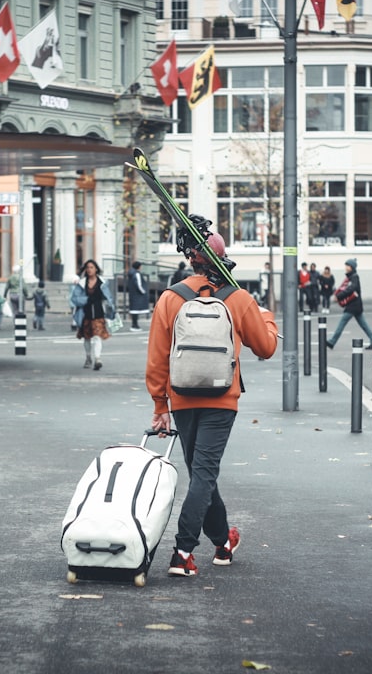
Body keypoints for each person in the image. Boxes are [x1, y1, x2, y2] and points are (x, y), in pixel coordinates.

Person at [146, 219, 279, 578]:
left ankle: (223, 541)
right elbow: (265, 348)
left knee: (202, 474)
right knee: (203, 475)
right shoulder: (238, 299)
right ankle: (182, 552)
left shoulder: (171, 298)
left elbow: (158, 358)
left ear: (191, 260)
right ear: (223, 259)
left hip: (182, 397)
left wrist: (161, 406)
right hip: (222, 399)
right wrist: (267, 318)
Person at [325, 259, 372, 351]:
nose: (345, 267)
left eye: (347, 265)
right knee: (364, 325)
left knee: (342, 323)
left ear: (351, 267)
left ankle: (332, 341)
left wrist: (339, 296)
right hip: (356, 305)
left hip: (353, 306)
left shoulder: (354, 277)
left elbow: (351, 289)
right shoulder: (352, 277)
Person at [70, 260, 115, 370]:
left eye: (91, 267)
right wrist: (86, 300)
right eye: (88, 267)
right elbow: (74, 298)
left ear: (96, 269)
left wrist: (111, 309)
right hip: (86, 313)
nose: (89, 269)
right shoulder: (82, 283)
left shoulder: (102, 283)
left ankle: (97, 358)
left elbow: (109, 298)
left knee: (97, 336)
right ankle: (88, 357)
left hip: (99, 313)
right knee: (87, 337)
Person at [127, 261, 149, 332]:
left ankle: (134, 324)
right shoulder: (137, 274)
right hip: (138, 295)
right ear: (139, 266)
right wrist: (143, 291)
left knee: (134, 310)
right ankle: (135, 325)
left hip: (132, 294)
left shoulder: (131, 273)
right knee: (136, 310)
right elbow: (139, 284)